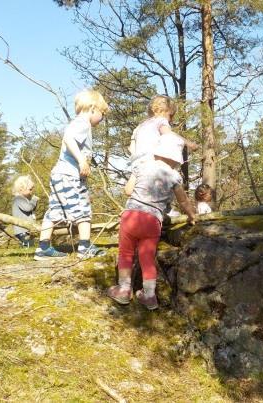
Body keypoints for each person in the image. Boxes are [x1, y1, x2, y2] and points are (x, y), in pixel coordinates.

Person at [108, 132, 196, 310]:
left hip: (131, 216)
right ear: (176, 159)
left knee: (125, 253)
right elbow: (183, 201)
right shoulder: (174, 176)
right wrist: (192, 215)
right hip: (153, 221)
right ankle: (149, 296)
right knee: (147, 258)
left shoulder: (141, 166)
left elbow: (127, 190)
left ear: (157, 152)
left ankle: (124, 290)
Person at [34, 89, 109, 260]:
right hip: (69, 176)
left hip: (60, 174)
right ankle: (84, 247)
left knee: (54, 212)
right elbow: (68, 138)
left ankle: (43, 248)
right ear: (92, 108)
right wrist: (82, 160)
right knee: (83, 210)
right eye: (102, 113)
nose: (102, 118)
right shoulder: (83, 123)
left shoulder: (78, 123)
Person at [125, 95, 198, 191]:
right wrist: (189, 143)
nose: (171, 120)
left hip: (137, 162)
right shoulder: (161, 121)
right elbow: (169, 134)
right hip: (152, 159)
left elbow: (131, 147)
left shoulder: (140, 126)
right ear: (164, 111)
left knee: (131, 190)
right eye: (171, 116)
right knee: (159, 188)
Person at [12, 175, 39, 247]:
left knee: (29, 244)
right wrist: (34, 199)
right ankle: (25, 254)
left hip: (26, 228)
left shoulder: (24, 199)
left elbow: (32, 209)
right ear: (21, 189)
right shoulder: (18, 198)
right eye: (30, 189)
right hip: (22, 229)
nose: (32, 191)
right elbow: (28, 208)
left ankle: (25, 252)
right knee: (28, 244)